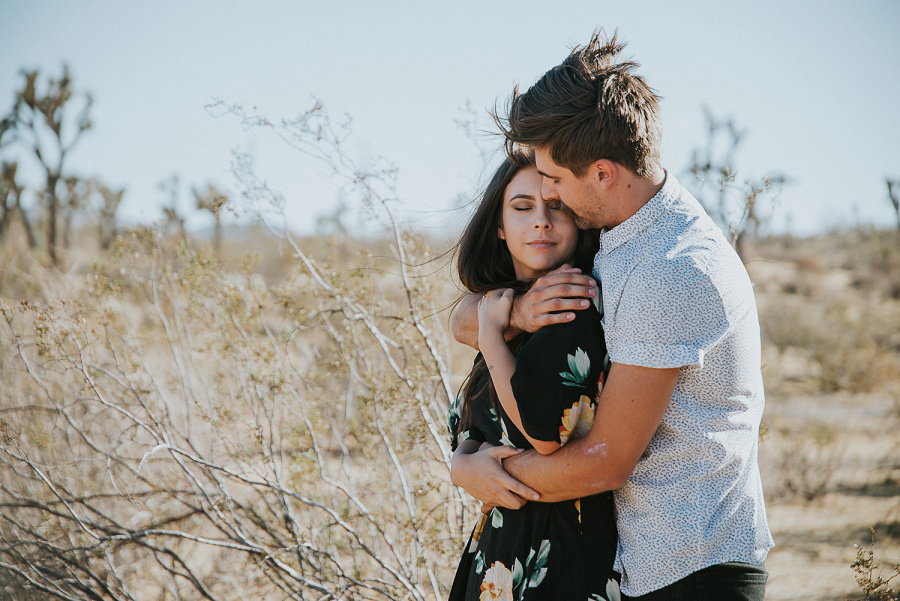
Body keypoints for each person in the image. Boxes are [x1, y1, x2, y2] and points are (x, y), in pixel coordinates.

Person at [450, 31, 773, 600]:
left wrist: (477, 473)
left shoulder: (672, 269)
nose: (546, 192)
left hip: (691, 572)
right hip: (640, 565)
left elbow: (602, 464)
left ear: (601, 173)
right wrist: (517, 311)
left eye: (553, 177)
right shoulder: (619, 235)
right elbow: (462, 320)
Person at [446, 149, 620, 601]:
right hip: (500, 550)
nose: (540, 221)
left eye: (556, 207)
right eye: (522, 208)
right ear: (499, 228)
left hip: (557, 553)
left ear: (579, 219)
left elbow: (542, 434)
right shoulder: (503, 312)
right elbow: (474, 426)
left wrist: (489, 336)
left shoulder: (575, 304)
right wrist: (463, 462)